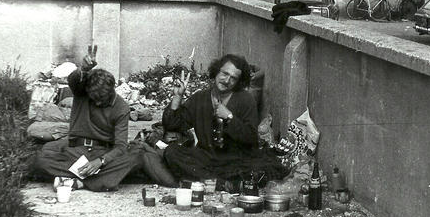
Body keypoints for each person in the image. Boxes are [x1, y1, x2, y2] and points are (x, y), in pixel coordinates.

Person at [161, 54, 286, 187]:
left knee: (261, 168)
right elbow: (171, 125)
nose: (227, 80)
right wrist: (177, 97)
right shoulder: (200, 98)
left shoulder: (246, 100)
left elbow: (251, 139)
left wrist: (229, 117)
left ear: (238, 82)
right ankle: (218, 182)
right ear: (216, 71)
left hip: (234, 161)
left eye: (233, 78)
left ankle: (207, 180)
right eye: (224, 73)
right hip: (206, 158)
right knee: (172, 151)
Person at [31, 45, 143, 192]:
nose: (96, 102)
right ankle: (101, 180)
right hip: (75, 150)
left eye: (101, 99)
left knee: (135, 156)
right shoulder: (81, 91)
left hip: (102, 152)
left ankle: (78, 182)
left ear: (112, 91)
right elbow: (74, 80)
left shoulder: (122, 108)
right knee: (41, 158)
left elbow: (120, 146)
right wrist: (83, 69)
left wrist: (101, 161)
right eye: (93, 98)